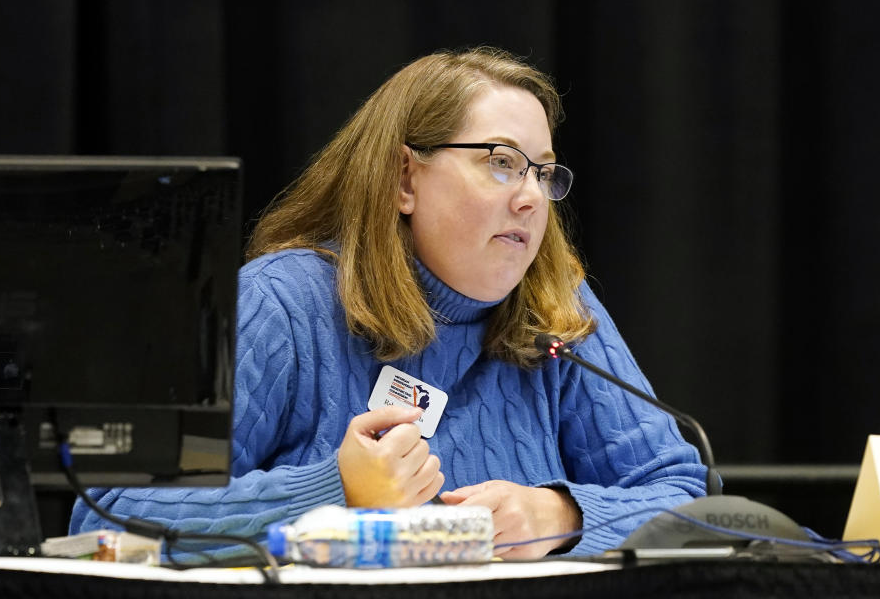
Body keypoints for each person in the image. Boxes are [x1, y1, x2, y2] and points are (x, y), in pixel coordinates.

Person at [70, 47, 706, 558]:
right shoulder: (285, 303)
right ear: (406, 178)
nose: (532, 198)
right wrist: (336, 492)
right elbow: (111, 509)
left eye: (543, 172)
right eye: (503, 163)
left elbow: (689, 500)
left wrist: (564, 514)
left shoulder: (555, 310)